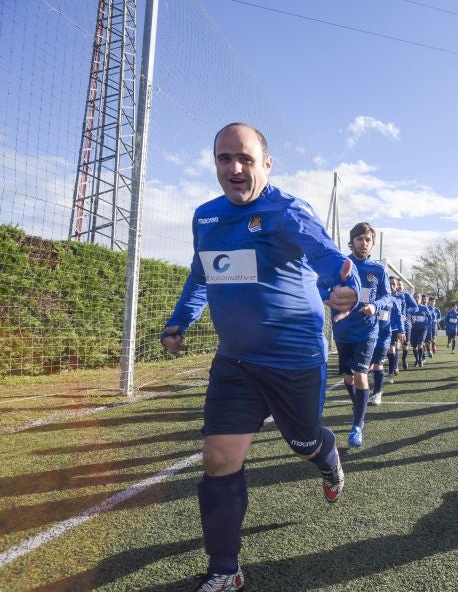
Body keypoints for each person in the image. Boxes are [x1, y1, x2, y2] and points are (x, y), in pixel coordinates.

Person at [161, 123, 359, 592]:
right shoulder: (206, 218)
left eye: (245, 159)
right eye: (225, 159)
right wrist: (177, 322)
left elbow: (328, 257)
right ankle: (226, 570)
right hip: (236, 363)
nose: (234, 168)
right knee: (218, 458)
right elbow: (200, 277)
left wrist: (342, 286)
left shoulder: (289, 212)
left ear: (266, 164)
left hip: (294, 359)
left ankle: (326, 455)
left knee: (302, 443)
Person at [326, 222, 391, 448]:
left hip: (367, 330)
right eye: (360, 239)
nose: (364, 243)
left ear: (373, 244)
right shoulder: (340, 265)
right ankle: (358, 407)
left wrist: (375, 306)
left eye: (368, 240)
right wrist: (331, 296)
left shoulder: (379, 270)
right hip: (343, 330)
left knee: (361, 375)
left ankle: (357, 426)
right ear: (352, 241)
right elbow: (321, 286)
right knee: (347, 377)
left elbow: (387, 297)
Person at [407, 292, 431, 367]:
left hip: (422, 330)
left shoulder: (424, 308)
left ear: (420, 299)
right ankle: (417, 360)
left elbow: (430, 318)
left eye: (418, 297)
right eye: (415, 297)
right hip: (413, 330)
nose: (416, 299)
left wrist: (427, 326)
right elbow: (407, 317)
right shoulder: (410, 308)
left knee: (420, 345)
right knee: (414, 346)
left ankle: (420, 360)